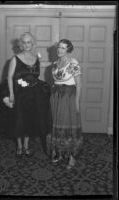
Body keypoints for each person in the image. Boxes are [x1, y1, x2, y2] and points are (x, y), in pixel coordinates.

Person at [0, 32, 51, 156]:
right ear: (21, 45)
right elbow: (10, 77)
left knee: (30, 120)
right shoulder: (15, 59)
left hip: (33, 94)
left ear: (32, 44)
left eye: (29, 42)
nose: (26, 44)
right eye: (24, 42)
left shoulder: (37, 59)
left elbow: (36, 76)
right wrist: (11, 94)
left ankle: (26, 146)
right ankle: (20, 146)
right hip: (19, 94)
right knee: (19, 120)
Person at [46, 39, 83, 169]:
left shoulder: (73, 63)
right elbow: (55, 82)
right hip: (56, 96)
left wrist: (77, 101)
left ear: (68, 49)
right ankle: (59, 153)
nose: (59, 50)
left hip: (69, 96)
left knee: (69, 124)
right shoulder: (55, 64)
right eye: (59, 47)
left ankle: (72, 157)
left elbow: (79, 83)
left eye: (63, 48)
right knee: (56, 124)